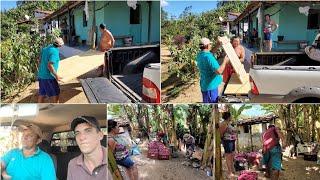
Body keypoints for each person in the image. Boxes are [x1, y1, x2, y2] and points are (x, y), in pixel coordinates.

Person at [196, 37, 229, 103]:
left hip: (205, 85)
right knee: (212, 104)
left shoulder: (200, 54)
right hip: (211, 87)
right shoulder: (209, 58)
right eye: (210, 44)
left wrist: (218, 45)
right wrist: (225, 61)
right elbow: (219, 71)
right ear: (207, 46)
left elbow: (210, 52)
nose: (211, 45)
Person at [37, 37, 64, 103]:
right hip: (49, 77)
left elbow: (39, 59)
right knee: (56, 93)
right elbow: (49, 65)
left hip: (41, 75)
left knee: (42, 93)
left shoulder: (46, 48)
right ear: (60, 45)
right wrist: (56, 75)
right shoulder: (54, 51)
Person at [219, 112, 237, 177]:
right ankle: (229, 172)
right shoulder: (223, 123)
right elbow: (221, 134)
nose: (231, 117)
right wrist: (222, 142)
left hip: (232, 141)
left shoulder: (228, 123)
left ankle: (232, 169)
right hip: (227, 141)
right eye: (231, 116)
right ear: (228, 117)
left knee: (232, 156)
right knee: (228, 156)